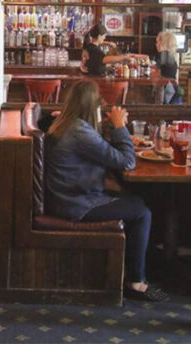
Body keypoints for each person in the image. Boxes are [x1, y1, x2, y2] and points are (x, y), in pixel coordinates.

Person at [44, 79, 168, 302]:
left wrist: (113, 128)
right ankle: (136, 282)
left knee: (144, 200)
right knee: (142, 212)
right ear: (92, 106)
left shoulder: (68, 123)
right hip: (76, 204)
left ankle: (142, 265)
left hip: (67, 197)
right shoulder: (79, 132)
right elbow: (127, 162)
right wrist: (120, 127)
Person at [155, 31, 181, 104]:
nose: (156, 45)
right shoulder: (170, 55)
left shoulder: (163, 55)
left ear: (164, 44)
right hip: (173, 87)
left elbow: (155, 72)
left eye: (158, 42)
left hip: (167, 89)